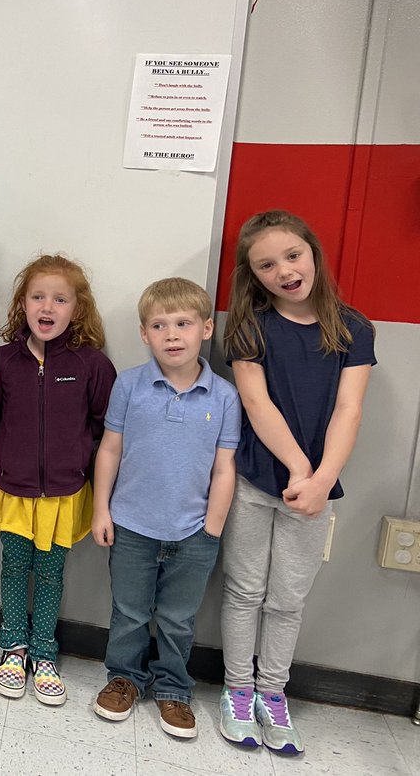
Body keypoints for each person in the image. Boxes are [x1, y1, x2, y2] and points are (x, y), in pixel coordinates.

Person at [218, 210, 375, 755]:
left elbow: (349, 411)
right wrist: (299, 471)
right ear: (253, 275)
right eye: (267, 264)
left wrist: (321, 479)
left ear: (312, 252)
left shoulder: (354, 328)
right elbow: (256, 404)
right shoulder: (249, 328)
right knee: (244, 590)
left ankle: (272, 692)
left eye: (292, 255)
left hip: (314, 494)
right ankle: (238, 690)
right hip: (257, 482)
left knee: (287, 599)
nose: (284, 271)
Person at [91, 277, 240, 739]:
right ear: (143, 333)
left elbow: (224, 468)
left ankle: (174, 688)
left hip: (194, 532)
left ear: (207, 328)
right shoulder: (130, 385)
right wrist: (102, 510)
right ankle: (124, 678)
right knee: (130, 612)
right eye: (159, 325)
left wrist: (212, 528)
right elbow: (110, 450)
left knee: (178, 617)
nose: (172, 335)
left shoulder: (224, 397)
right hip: (132, 525)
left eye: (183, 324)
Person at [0, 254, 115, 704]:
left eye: (60, 299)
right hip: (15, 490)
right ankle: (13, 648)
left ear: (76, 309)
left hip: (65, 493)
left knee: (51, 573)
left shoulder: (92, 365)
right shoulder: (2, 361)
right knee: (15, 568)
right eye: (38, 296)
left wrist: (75, 460)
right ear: (22, 303)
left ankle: (44, 652)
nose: (48, 307)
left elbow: (103, 426)